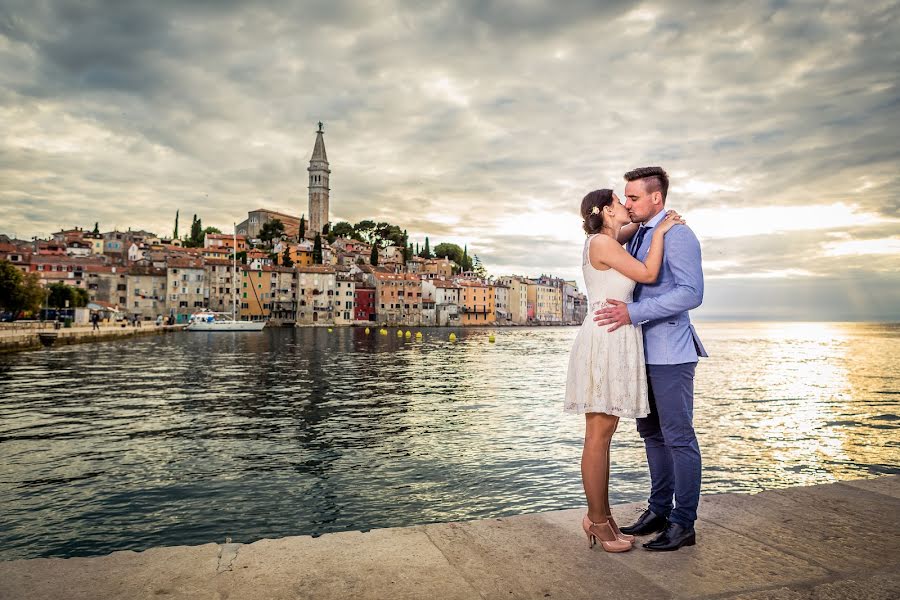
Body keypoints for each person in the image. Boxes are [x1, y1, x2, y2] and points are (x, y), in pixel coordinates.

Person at [593, 167, 707, 552]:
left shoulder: (679, 234)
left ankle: (683, 522)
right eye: (624, 197)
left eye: (634, 198)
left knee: (679, 438)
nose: (627, 203)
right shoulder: (638, 233)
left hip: (671, 354)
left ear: (656, 198)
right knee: (651, 435)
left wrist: (633, 313)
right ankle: (658, 510)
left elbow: (692, 293)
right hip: (639, 353)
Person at [565, 187, 683, 553]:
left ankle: (604, 517)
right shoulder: (602, 243)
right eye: (619, 201)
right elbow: (647, 274)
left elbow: (635, 224)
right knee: (598, 435)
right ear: (603, 210)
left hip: (613, 335)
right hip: (606, 337)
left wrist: (652, 219)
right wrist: (663, 232)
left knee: (605, 431)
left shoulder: (611, 238)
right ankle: (597, 521)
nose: (626, 206)